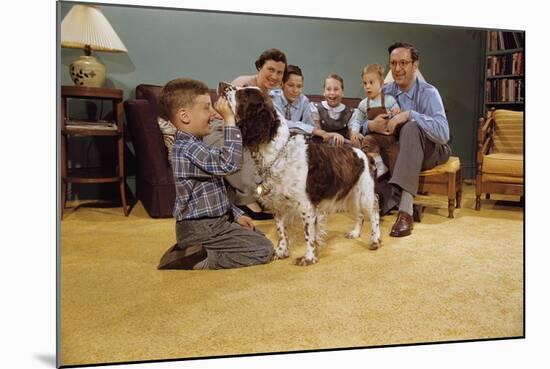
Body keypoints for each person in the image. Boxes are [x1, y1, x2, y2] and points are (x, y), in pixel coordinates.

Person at [157, 78, 273, 270]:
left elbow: (216, 192)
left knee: (257, 235)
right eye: (206, 108)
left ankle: (196, 248)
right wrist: (229, 120)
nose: (213, 113)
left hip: (215, 222)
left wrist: (236, 215)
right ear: (184, 116)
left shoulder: (197, 145)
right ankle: (201, 258)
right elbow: (229, 164)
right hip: (202, 228)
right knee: (263, 249)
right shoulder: (186, 148)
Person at [369, 42, 451, 237]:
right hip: (401, 153)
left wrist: (409, 115)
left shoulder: (429, 93)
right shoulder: (385, 92)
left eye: (403, 63)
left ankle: (405, 211)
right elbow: (362, 120)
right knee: (387, 143)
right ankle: (394, 200)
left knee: (412, 127)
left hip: (433, 151)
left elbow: (443, 134)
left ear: (415, 65)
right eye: (393, 63)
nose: (397, 69)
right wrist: (371, 125)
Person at [203, 48, 288, 220]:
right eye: (270, 69)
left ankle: (262, 194)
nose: (275, 76)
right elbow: (228, 114)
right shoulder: (243, 84)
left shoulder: (271, 95)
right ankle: (246, 200)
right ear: (259, 67)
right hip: (223, 127)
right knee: (242, 153)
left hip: (243, 130)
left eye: (279, 72)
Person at [349, 64, 401, 178]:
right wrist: (354, 132)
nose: (367, 86)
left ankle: (395, 180)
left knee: (395, 153)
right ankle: (378, 165)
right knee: (367, 141)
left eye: (371, 82)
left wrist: (397, 111)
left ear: (381, 84)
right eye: (365, 83)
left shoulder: (388, 100)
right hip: (374, 137)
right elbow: (357, 121)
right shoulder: (363, 104)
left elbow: (396, 111)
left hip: (389, 137)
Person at [309, 74, 355, 146]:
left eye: (336, 89)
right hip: (322, 147)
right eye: (328, 89)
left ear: (342, 92)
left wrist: (356, 137)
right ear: (324, 92)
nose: (332, 93)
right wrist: (333, 135)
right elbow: (317, 132)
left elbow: (353, 138)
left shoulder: (350, 112)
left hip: (342, 149)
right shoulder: (316, 108)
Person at [269, 64, 315, 135]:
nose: (295, 90)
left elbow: (311, 127)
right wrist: (303, 127)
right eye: (291, 85)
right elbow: (280, 124)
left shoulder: (304, 101)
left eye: (299, 86)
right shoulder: (273, 98)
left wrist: (308, 129)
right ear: (281, 84)